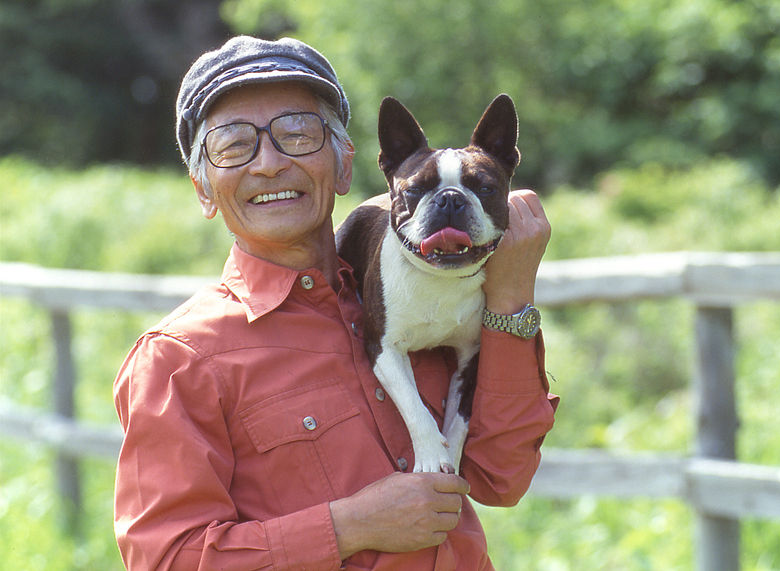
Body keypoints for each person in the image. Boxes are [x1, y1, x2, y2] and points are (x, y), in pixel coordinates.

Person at [113, 35, 559, 570]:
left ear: (346, 166)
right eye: (233, 145)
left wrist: (509, 300)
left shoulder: (432, 294)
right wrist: (350, 526)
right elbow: (168, 560)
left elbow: (502, 477)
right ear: (204, 190)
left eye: (296, 133)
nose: (270, 163)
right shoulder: (180, 359)